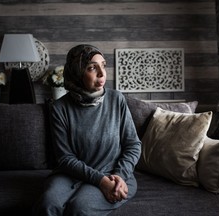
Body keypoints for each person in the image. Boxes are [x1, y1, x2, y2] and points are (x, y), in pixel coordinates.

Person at [34, 44, 141, 216]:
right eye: (92, 68)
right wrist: (100, 181)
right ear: (77, 73)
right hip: (70, 175)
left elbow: (133, 144)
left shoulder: (117, 100)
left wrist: (120, 175)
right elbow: (65, 158)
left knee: (80, 209)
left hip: (113, 173)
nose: (101, 73)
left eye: (103, 65)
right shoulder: (60, 108)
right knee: (48, 205)